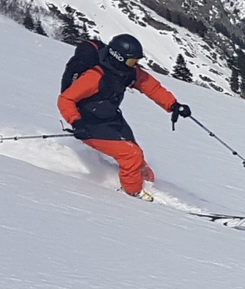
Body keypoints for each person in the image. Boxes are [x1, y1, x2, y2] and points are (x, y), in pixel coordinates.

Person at [57, 33, 191, 200]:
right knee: (131, 154)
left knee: (138, 158)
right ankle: (132, 195)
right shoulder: (95, 77)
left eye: (136, 62)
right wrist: (76, 122)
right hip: (89, 124)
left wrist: (173, 105)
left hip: (110, 117)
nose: (134, 65)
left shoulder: (127, 72)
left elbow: (151, 86)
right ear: (118, 57)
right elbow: (66, 99)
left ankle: (146, 184)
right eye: (131, 62)